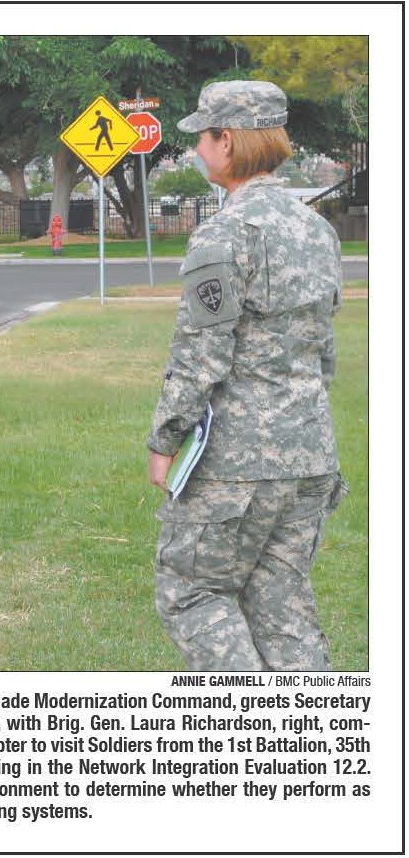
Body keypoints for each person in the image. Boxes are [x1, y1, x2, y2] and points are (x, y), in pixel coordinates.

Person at [146, 80, 348, 672]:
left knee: (191, 592)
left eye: (202, 139)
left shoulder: (224, 233)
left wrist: (164, 440)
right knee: (280, 600)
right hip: (310, 451)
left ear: (226, 142)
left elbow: (200, 354)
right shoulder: (317, 228)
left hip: (239, 462)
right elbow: (323, 347)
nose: (197, 151)